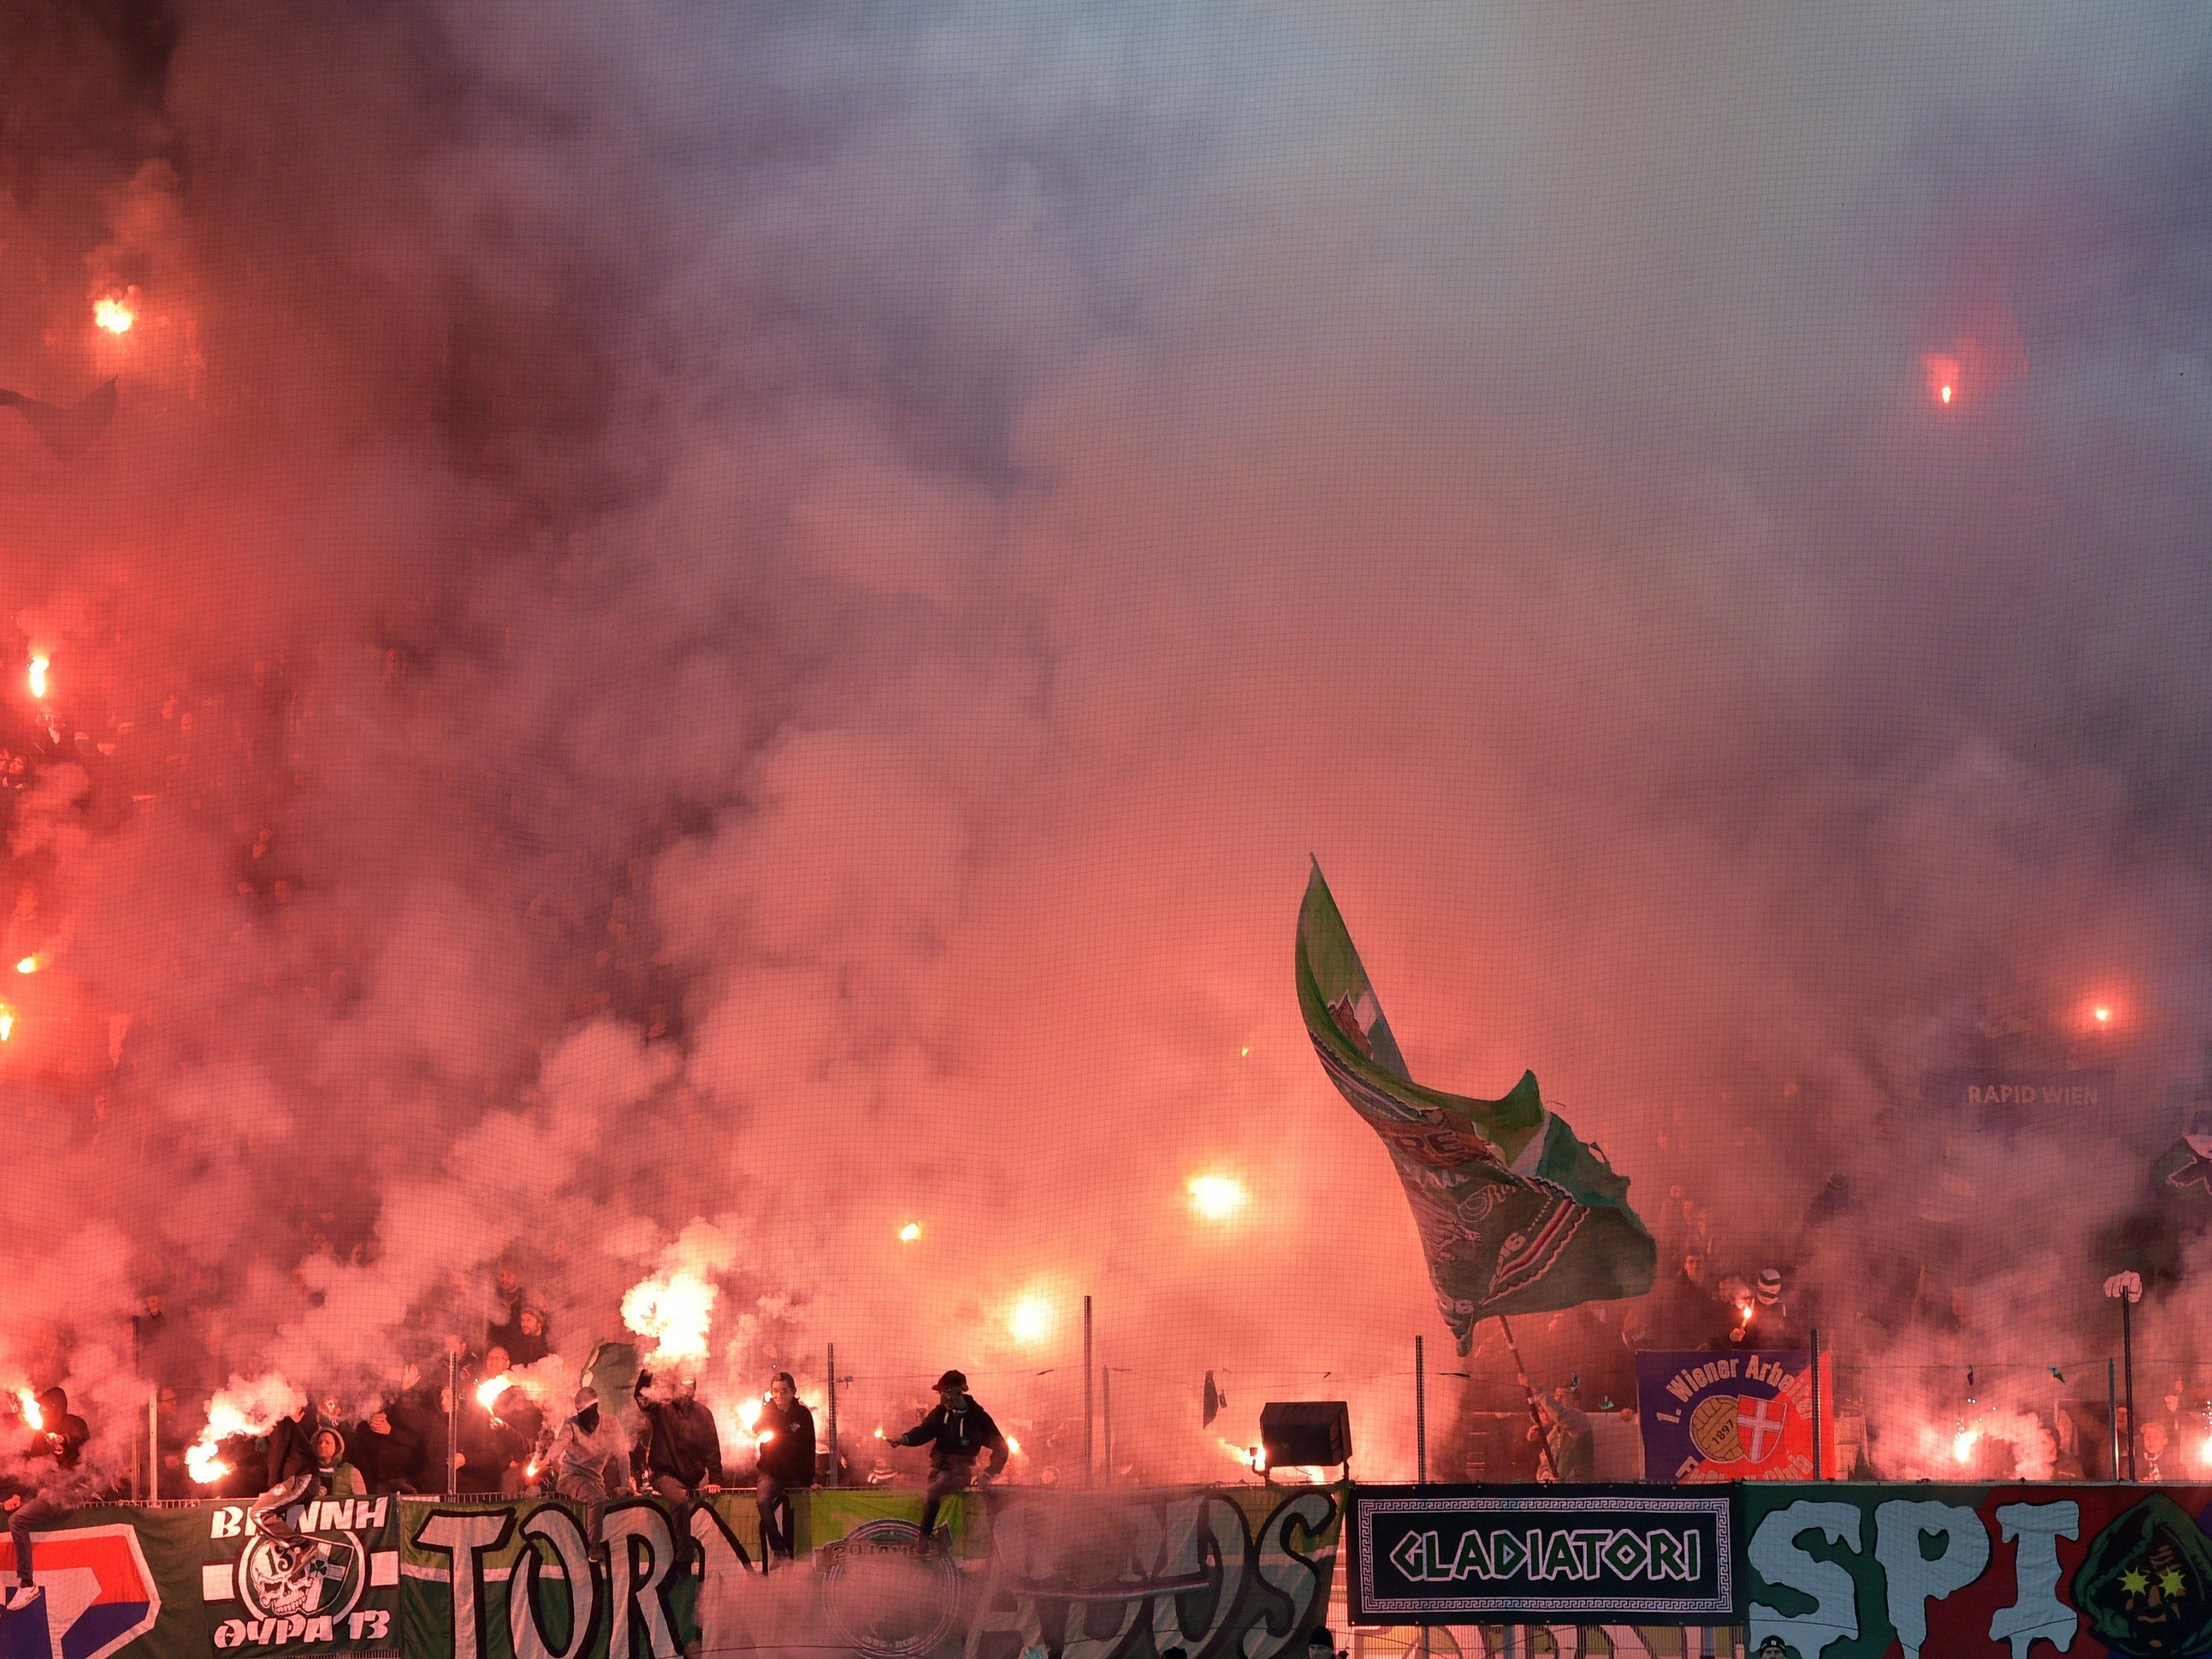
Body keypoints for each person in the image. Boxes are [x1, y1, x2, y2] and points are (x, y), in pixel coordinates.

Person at [890, 1371, 1007, 1549]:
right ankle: (942, 1540)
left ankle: (923, 1542)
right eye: (940, 1393)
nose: (942, 1397)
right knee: (928, 1499)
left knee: (932, 1493)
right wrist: (904, 1439)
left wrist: (989, 1473)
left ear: (960, 1391)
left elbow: (1002, 1448)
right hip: (938, 1469)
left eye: (946, 1392)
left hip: (960, 1472)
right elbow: (924, 1431)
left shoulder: (978, 1418)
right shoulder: (939, 1413)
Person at [5, 1388, 92, 1610]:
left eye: (47, 1408)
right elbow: (32, 1468)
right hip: (48, 1488)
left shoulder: (74, 1423)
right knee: (17, 1511)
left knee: (17, 1521)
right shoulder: (39, 1435)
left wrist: (62, 1439)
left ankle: (27, 1585)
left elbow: (82, 1440)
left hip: (69, 1491)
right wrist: (17, 1495)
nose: (43, 1412)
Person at [546, 1387, 632, 1551]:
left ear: (595, 1407)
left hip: (595, 1481)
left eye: (586, 1410)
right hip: (571, 1477)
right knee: (597, 1499)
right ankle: (594, 1547)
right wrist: (548, 1459)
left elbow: (623, 1456)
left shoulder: (612, 1423)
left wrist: (626, 1484)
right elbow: (560, 1443)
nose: (582, 1415)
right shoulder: (571, 1424)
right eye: (579, 1411)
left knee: (602, 1502)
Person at [754, 1373, 816, 1569]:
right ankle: (778, 1549)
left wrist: (812, 1478)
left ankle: (802, 1556)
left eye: (784, 1391)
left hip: (796, 1473)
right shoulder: (767, 1411)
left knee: (800, 1512)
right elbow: (756, 1427)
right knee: (763, 1501)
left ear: (793, 1392)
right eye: (776, 1391)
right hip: (771, 1471)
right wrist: (761, 1432)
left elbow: (809, 1447)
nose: (779, 1396)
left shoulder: (803, 1415)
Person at [633, 1372, 723, 1504]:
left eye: (690, 1385)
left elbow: (712, 1449)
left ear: (694, 1389)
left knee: (691, 1507)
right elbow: (641, 1396)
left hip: (691, 1481)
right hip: (664, 1476)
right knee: (679, 1500)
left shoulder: (703, 1414)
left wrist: (715, 1481)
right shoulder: (661, 1408)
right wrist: (648, 1372)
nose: (686, 1389)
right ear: (675, 1387)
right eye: (682, 1384)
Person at [252, 1396, 327, 1540]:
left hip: (302, 1478)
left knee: (259, 1512)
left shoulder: (280, 1422)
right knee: (262, 1513)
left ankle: (302, 1547)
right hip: (295, 1480)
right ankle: (299, 1550)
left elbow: (277, 1453)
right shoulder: (266, 1436)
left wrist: (273, 1487)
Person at [313, 1427, 364, 1498]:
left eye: (327, 1443)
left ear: (337, 1447)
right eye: (319, 1443)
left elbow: (363, 1503)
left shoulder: (352, 1472)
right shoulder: (307, 1472)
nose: (322, 1445)